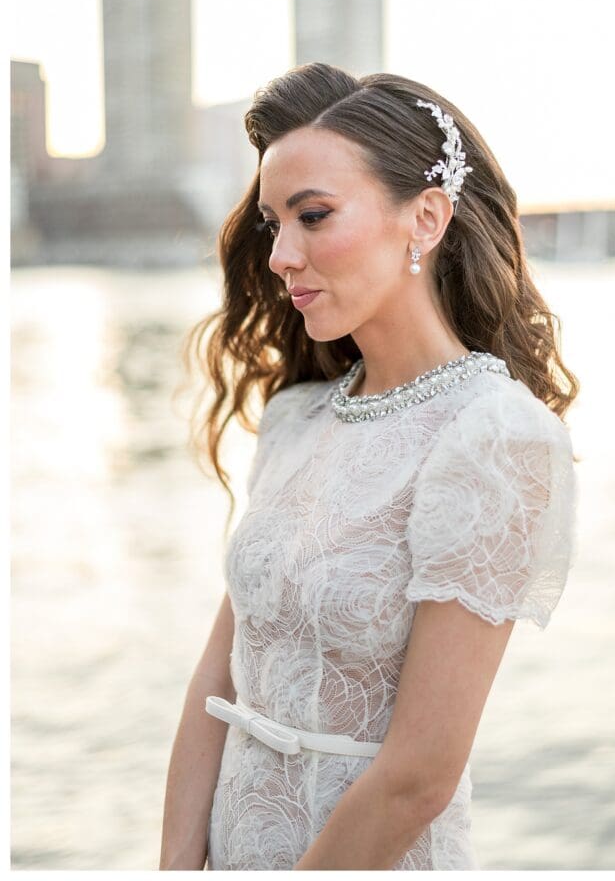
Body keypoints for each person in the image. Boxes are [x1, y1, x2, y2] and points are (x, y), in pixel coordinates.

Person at [158, 62, 580, 870]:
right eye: (272, 224)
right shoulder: (294, 418)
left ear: (424, 217)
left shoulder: (494, 437)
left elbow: (419, 776)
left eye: (313, 216)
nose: (281, 255)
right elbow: (220, 680)